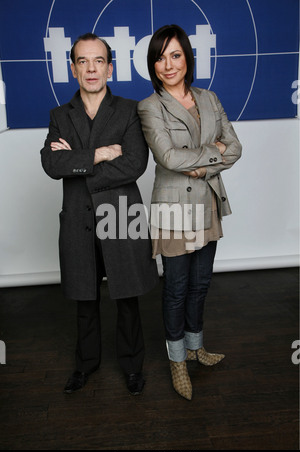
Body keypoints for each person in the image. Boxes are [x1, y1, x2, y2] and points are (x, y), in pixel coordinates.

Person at [41, 33, 158, 396]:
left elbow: (135, 164)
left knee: (127, 298)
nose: (91, 68)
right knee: (85, 299)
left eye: (98, 61)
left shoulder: (129, 109)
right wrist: (98, 154)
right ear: (73, 69)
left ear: (110, 67)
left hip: (121, 216)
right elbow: (50, 162)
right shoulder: (60, 115)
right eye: (82, 61)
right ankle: (85, 365)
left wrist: (76, 162)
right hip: (79, 220)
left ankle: (133, 366)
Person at [137, 25, 242, 400]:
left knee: (201, 284)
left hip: (207, 202)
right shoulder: (150, 106)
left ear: (187, 58)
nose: (168, 64)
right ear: (152, 64)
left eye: (175, 55)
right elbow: (167, 157)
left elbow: (235, 147)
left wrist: (199, 164)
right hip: (174, 209)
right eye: (160, 57)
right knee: (177, 288)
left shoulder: (209, 98)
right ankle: (178, 361)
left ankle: (197, 347)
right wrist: (211, 155)